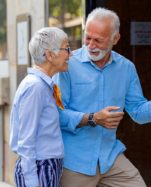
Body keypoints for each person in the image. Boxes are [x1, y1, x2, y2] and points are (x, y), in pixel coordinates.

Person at [54, 8, 151, 187]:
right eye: (88, 38)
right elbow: (57, 114)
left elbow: (139, 112)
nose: (90, 45)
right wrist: (93, 118)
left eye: (98, 40)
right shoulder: (67, 65)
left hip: (110, 157)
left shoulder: (126, 68)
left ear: (115, 39)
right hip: (75, 161)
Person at [9, 27, 71, 187]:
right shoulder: (35, 87)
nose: (70, 54)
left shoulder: (42, 85)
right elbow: (26, 141)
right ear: (50, 55)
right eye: (66, 48)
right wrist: (31, 182)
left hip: (45, 166)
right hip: (40, 167)